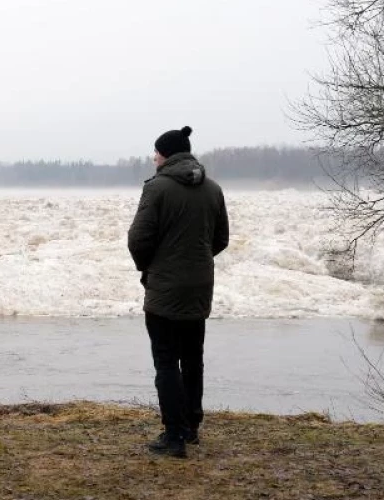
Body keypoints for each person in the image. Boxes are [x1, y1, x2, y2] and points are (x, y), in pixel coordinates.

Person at [127, 126, 229, 458]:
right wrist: (196, 262)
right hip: (199, 287)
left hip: (165, 289)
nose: (153, 158)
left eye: (156, 153)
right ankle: (191, 427)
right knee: (193, 358)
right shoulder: (213, 189)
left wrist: (151, 267)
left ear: (166, 155)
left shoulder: (157, 188)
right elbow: (221, 239)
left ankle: (174, 437)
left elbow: (138, 239)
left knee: (167, 361)